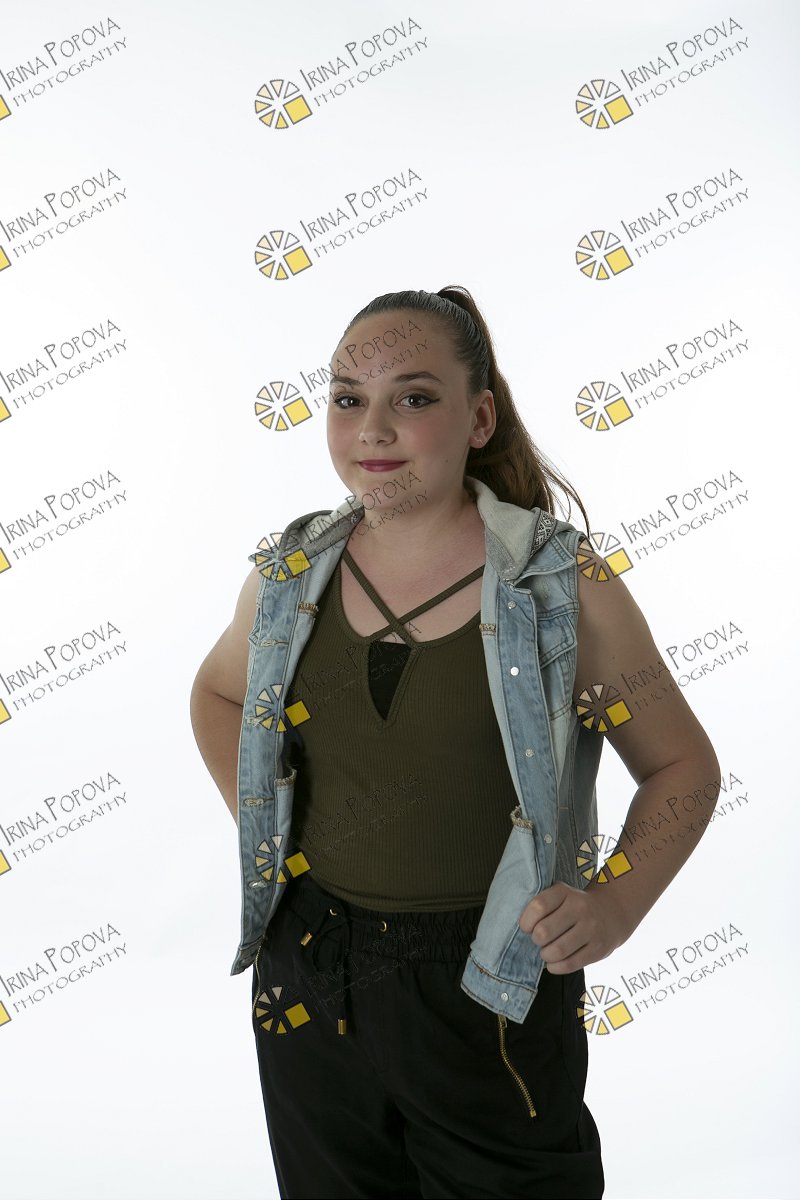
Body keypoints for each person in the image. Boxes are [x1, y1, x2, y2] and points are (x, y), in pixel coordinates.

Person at [190, 286, 721, 1199]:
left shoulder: (560, 588)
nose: (374, 427)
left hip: (491, 977)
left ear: (479, 419)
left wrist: (615, 906)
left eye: (415, 396)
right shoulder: (289, 574)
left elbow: (682, 767)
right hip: (309, 966)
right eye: (348, 397)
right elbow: (218, 692)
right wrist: (269, 826)